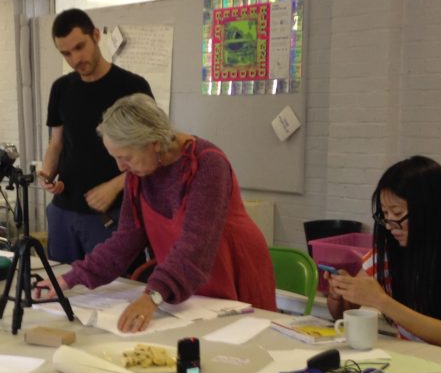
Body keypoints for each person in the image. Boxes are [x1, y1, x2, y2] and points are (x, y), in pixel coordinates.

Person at [36, 94, 276, 332]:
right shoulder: (138, 175)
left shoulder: (207, 164)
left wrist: (153, 296)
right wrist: (69, 279)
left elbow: (195, 245)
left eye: (126, 157)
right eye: (116, 158)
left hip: (230, 267)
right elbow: (125, 241)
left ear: (154, 143)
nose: (121, 168)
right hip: (184, 279)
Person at [327, 155, 441, 354]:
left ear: (430, 212)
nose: (390, 225)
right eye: (385, 214)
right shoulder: (390, 251)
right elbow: (344, 312)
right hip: (409, 358)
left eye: (397, 214)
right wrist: (338, 295)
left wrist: (381, 300)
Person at [38, 8, 153, 263]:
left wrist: (114, 186)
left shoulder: (132, 87)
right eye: (66, 53)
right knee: (62, 290)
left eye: (80, 47)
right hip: (64, 212)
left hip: (111, 215)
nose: (75, 58)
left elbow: (151, 153)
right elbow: (56, 144)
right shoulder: (61, 89)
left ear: (96, 36)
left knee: (115, 292)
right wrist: (47, 174)